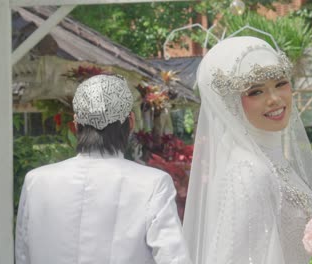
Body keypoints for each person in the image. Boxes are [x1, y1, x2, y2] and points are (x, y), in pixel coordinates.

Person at [15, 74, 191, 264]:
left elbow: (23, 254)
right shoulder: (153, 184)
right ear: (130, 122)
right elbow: (174, 258)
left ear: (75, 124)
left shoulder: (36, 181)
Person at [183, 36, 312, 264]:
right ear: (231, 104)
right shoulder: (249, 172)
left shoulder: (271, 160)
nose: (275, 99)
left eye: (280, 83)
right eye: (256, 92)